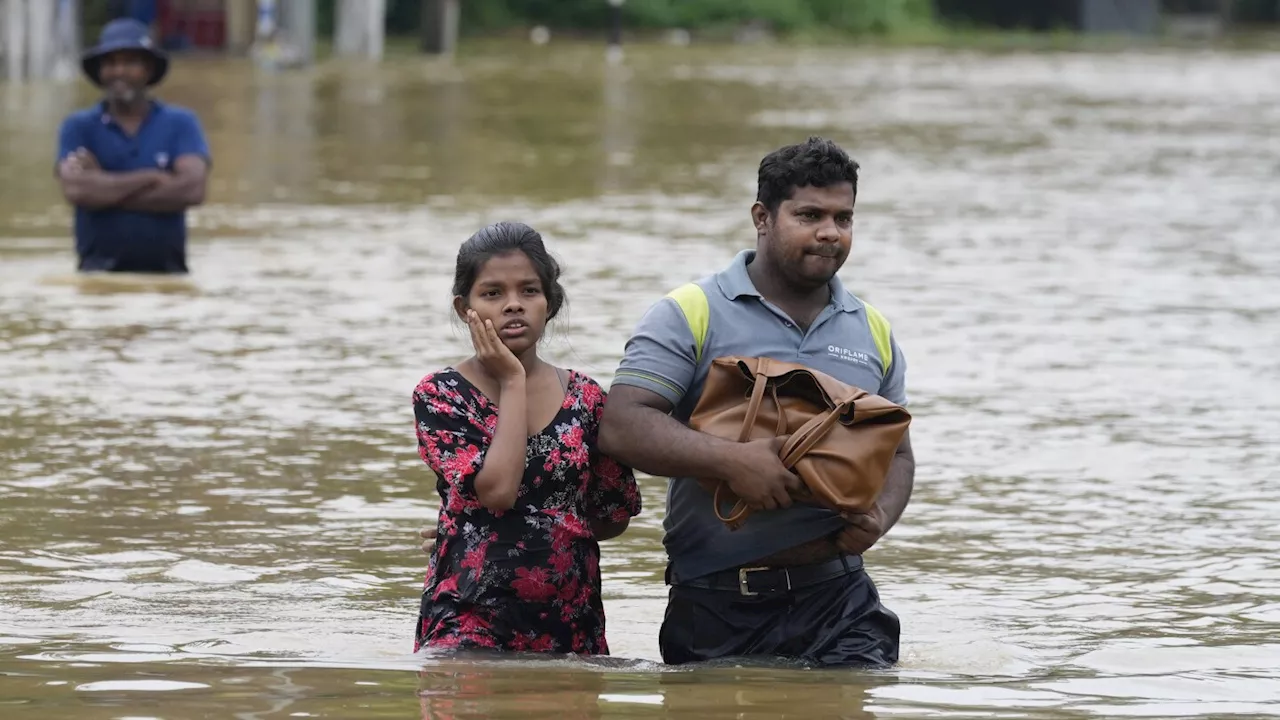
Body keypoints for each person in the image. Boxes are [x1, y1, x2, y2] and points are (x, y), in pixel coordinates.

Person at [597, 136, 916, 667]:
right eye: (809, 214)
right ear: (762, 217)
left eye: (844, 218)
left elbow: (899, 455)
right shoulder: (690, 312)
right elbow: (622, 424)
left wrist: (880, 515)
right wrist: (733, 461)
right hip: (716, 601)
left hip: (841, 601)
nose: (830, 233)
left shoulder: (872, 330)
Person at [411, 221, 642, 656]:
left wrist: (532, 531)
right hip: (468, 618)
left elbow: (613, 514)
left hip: (571, 624)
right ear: (465, 308)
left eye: (529, 291)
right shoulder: (441, 396)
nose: (513, 305)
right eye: (493, 293)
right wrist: (513, 382)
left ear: (550, 302)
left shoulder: (587, 398)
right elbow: (497, 492)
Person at [54, 17, 210, 275]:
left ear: (148, 68)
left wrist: (103, 187)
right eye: (111, 63)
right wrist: (152, 177)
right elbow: (77, 191)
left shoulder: (181, 123)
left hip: (169, 280)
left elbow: (192, 190)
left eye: (130, 62)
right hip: (97, 280)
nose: (119, 72)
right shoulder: (78, 126)